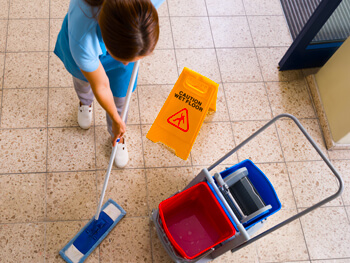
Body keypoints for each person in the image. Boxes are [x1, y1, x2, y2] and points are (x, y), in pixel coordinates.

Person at [54, 0, 163, 168]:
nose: (127, 64)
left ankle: (117, 136)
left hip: (127, 43)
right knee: (84, 82)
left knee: (121, 96)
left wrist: (117, 120)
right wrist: (113, 116)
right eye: (124, 60)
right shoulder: (83, 37)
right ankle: (85, 102)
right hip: (88, 47)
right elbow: (101, 85)